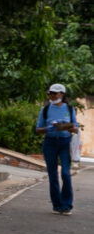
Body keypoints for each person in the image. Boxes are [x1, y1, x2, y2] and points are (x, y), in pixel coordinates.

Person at [35, 83, 78, 214]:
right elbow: (37, 129)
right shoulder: (45, 109)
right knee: (53, 175)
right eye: (50, 93)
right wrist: (49, 128)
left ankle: (66, 205)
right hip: (50, 143)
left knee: (65, 173)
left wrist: (64, 126)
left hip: (65, 142)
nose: (52, 96)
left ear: (62, 94)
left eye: (55, 93)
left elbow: (75, 128)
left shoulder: (69, 109)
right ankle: (57, 205)